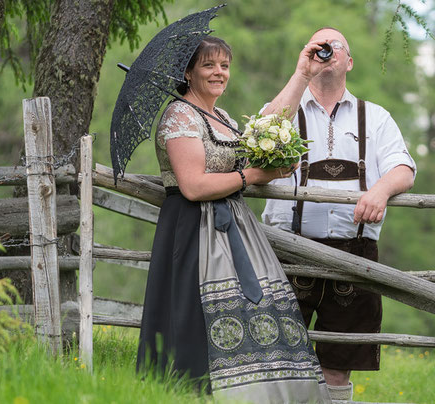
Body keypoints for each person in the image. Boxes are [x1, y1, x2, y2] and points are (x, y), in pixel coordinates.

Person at [136, 36, 330, 403]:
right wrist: (253, 177)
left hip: (234, 227)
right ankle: (190, 393)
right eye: (209, 65)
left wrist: (302, 74)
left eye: (224, 65)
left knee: (255, 312)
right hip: (192, 228)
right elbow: (193, 185)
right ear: (188, 72)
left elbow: (269, 123)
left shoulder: (221, 118)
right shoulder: (179, 116)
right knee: (193, 317)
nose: (219, 73)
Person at [259, 27, 416, 400]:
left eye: (334, 47)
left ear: (349, 62)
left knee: (338, 359)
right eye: (318, 46)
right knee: (278, 353)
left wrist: (380, 189)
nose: (325, 52)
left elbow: (404, 169)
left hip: (354, 252)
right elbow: (257, 142)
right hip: (288, 248)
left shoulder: (375, 117)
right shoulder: (285, 107)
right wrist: (302, 73)